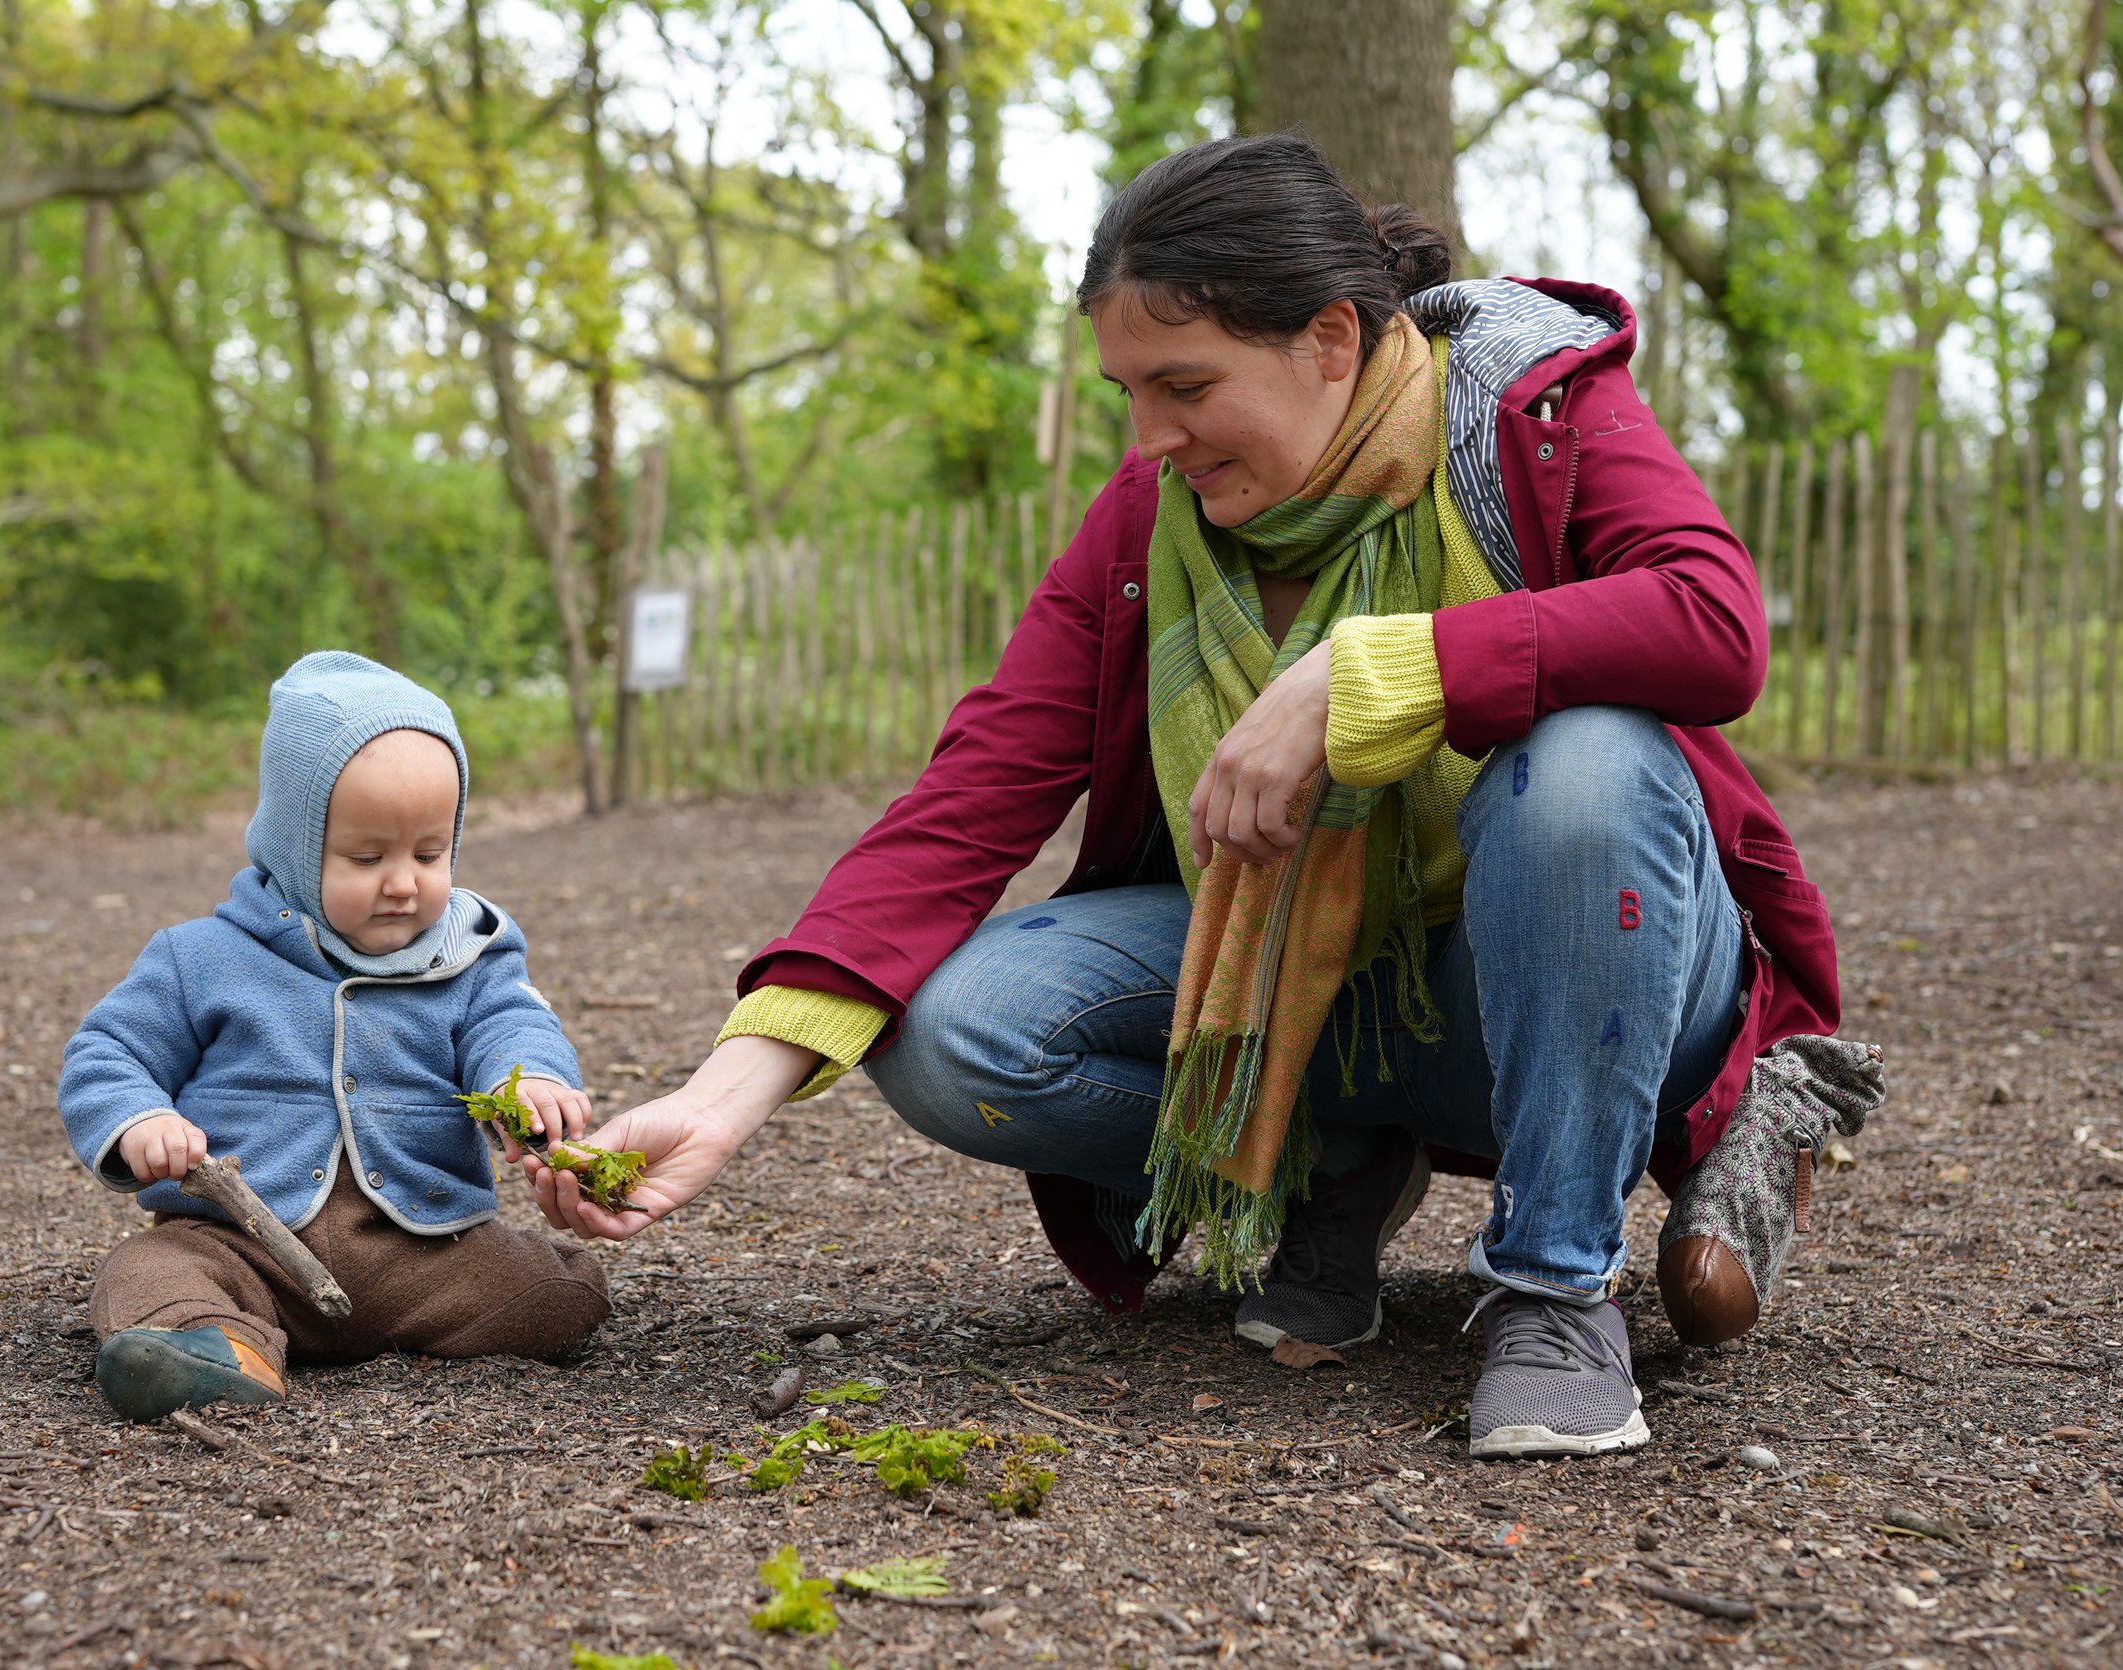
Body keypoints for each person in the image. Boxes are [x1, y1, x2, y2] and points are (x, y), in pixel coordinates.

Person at [526, 134, 1841, 1461]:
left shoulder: (1525, 403)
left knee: (1592, 767)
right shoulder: (1150, 519)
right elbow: (974, 789)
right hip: (1329, 1003)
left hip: (1588, 987)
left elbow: (1711, 622)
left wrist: (1367, 673)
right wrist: (724, 1091)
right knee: (949, 1030)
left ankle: (1557, 1288)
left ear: (1331, 338)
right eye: (1128, 390)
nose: (1149, 435)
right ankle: (1323, 1168)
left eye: (1185, 384)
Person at [59, 651, 610, 1422]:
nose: (403, 882)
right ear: (293, 842)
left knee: (561, 1290)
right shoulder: (202, 959)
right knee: (147, 1271)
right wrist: (138, 1120)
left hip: (416, 1247)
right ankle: (217, 1346)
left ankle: (414, 1324)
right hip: (239, 1243)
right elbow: (107, 1051)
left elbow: (510, 1022)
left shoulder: (468, 954)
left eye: (430, 853)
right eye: (366, 856)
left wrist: (529, 1081)